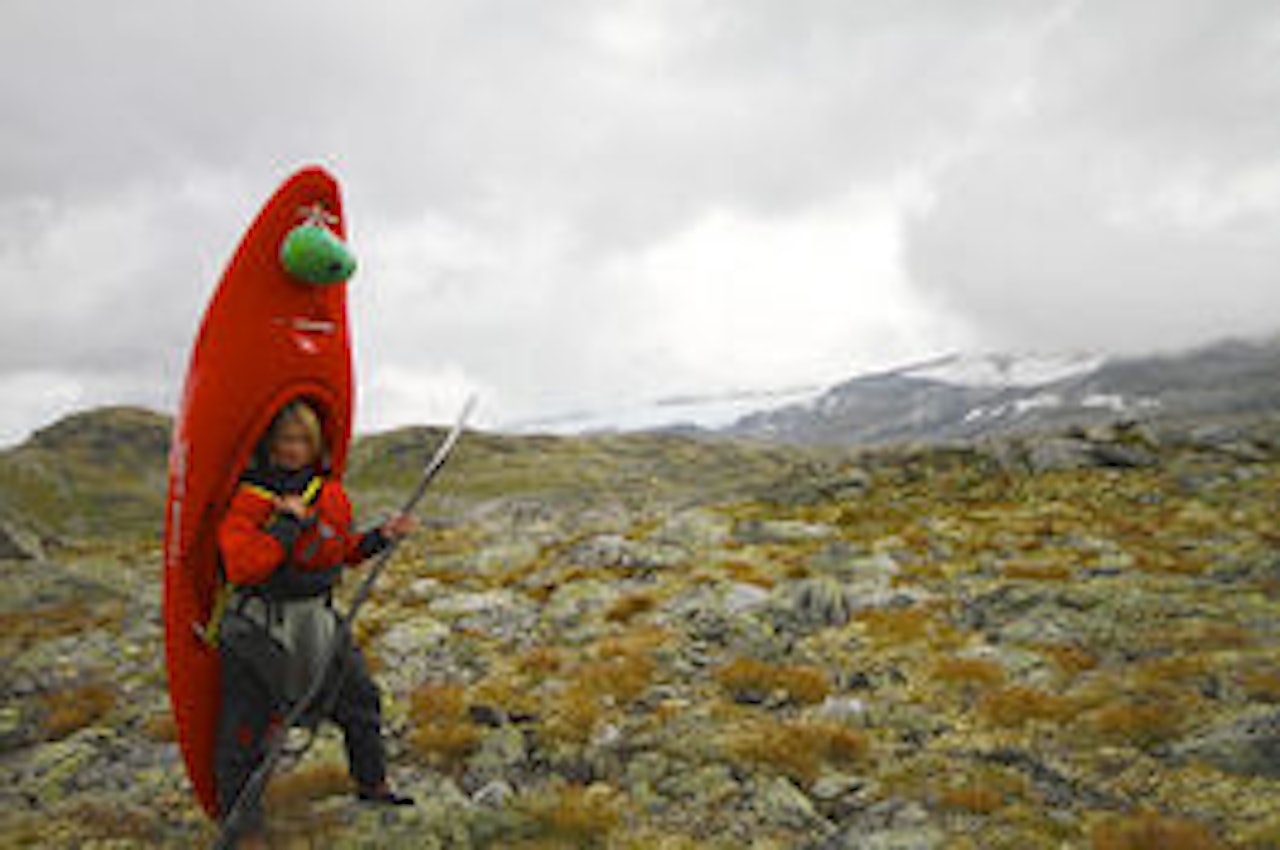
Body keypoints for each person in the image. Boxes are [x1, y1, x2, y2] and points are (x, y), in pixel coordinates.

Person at [212, 398, 415, 847]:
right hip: (258, 627)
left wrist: (381, 537)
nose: (294, 448)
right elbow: (244, 567)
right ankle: (241, 828)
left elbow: (340, 550)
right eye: (286, 438)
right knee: (246, 728)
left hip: (317, 620)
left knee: (360, 700)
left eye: (304, 439)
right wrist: (285, 525)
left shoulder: (327, 494)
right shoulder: (248, 498)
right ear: (270, 443)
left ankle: (372, 784)